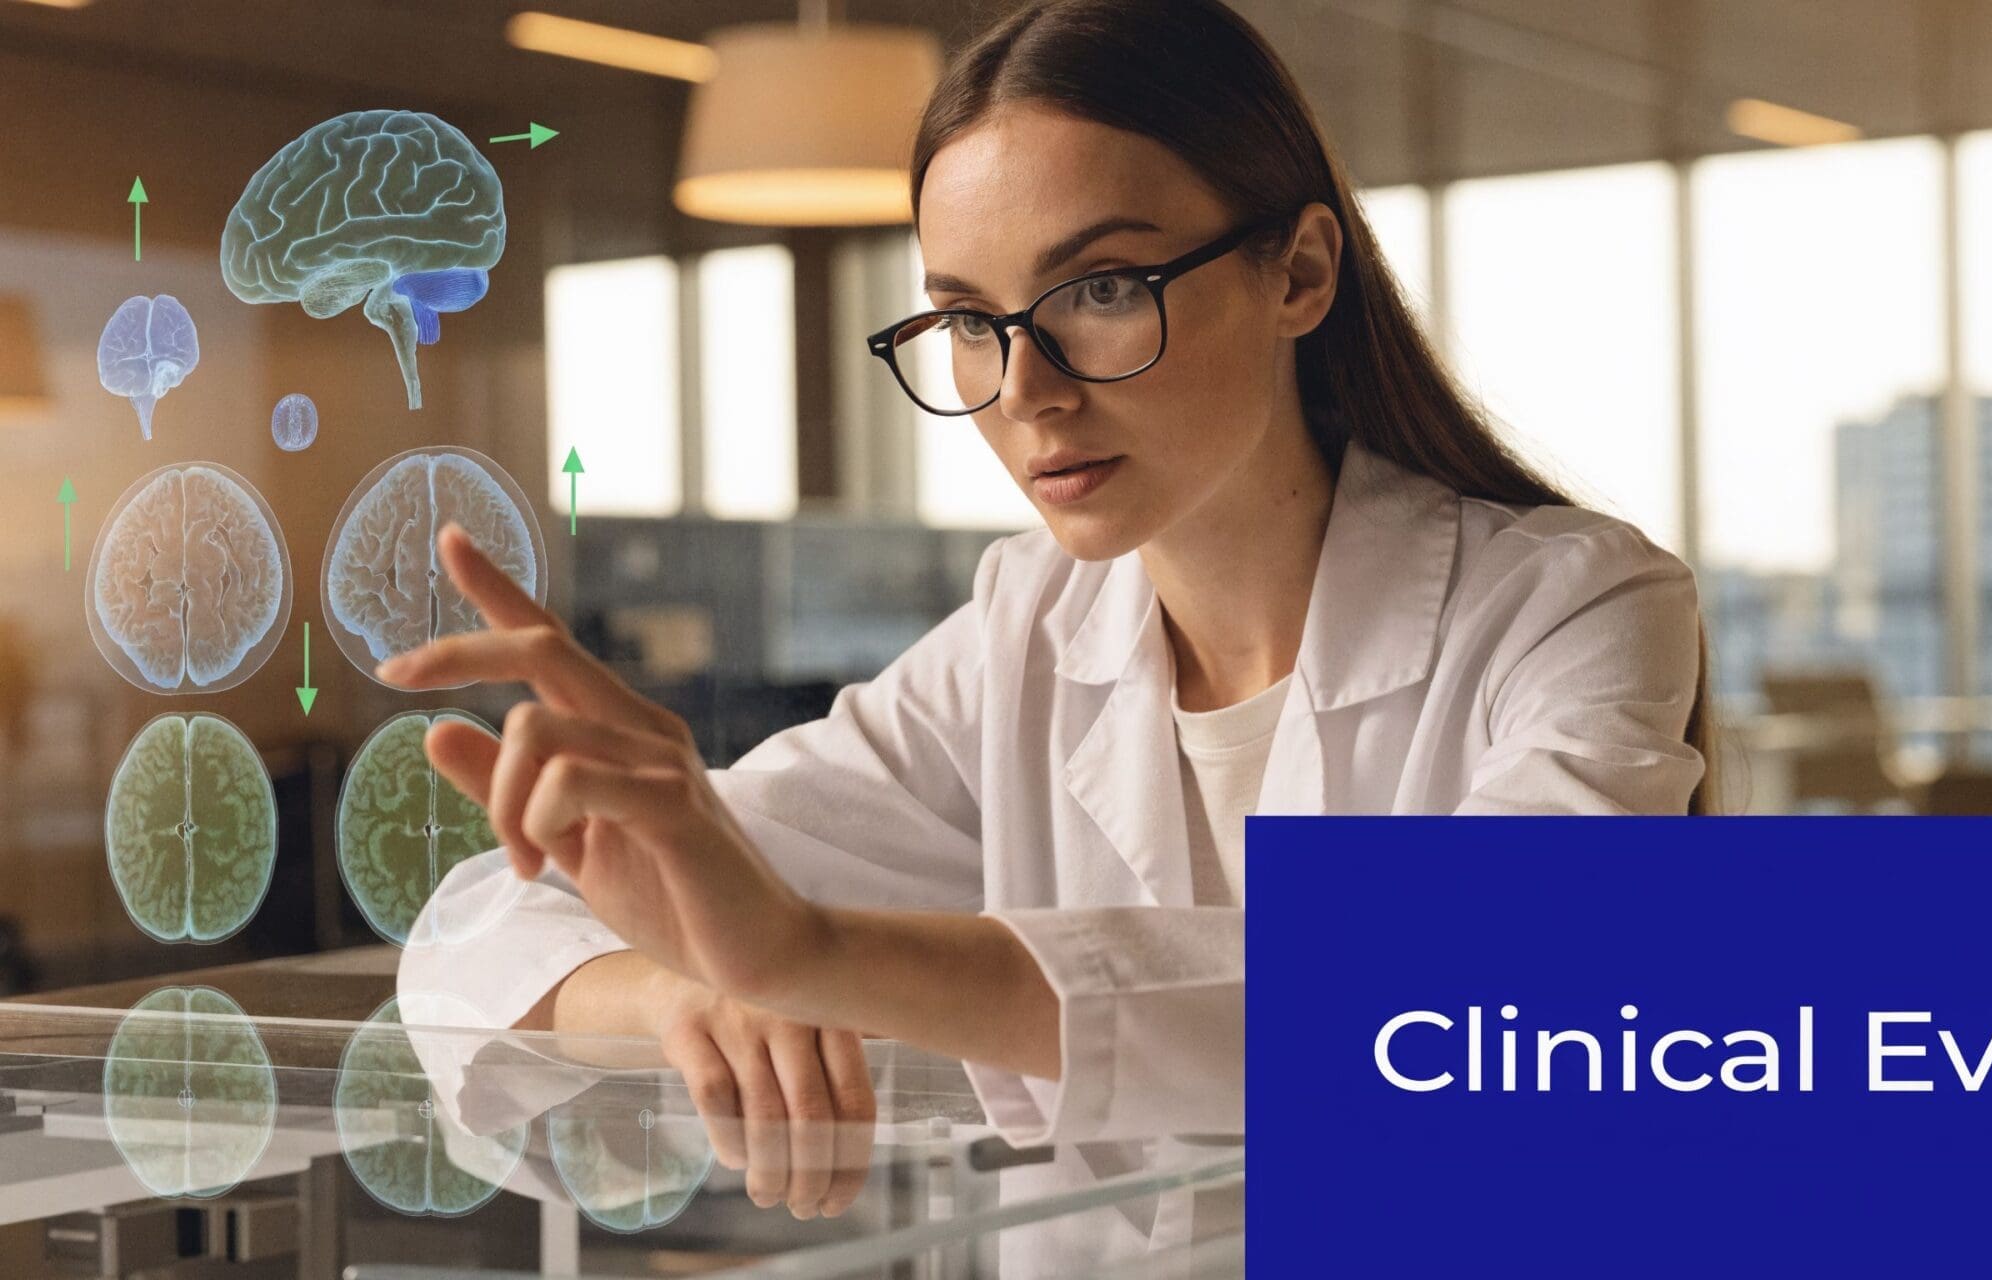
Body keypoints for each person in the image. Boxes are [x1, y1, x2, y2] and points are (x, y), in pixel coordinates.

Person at [394, 0, 1711, 1248]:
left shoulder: (1575, 609)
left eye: (1101, 289)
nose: (1025, 390)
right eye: (970, 318)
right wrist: (697, 997)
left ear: (1301, 272)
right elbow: (485, 928)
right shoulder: (1022, 637)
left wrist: (815, 955)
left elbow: (1467, 998)